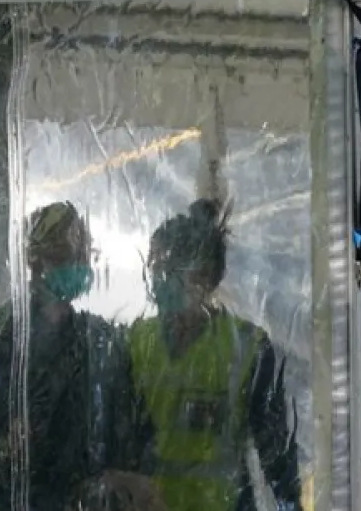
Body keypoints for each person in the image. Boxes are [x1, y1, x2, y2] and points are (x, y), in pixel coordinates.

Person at [0, 201, 155, 511]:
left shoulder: (97, 340)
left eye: (84, 253)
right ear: (36, 261)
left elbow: (129, 429)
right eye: (65, 253)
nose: (78, 262)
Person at [127, 199, 303, 511]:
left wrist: (291, 506)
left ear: (205, 278)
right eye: (155, 269)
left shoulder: (247, 347)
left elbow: (275, 453)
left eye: (170, 271)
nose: (158, 281)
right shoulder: (137, 341)